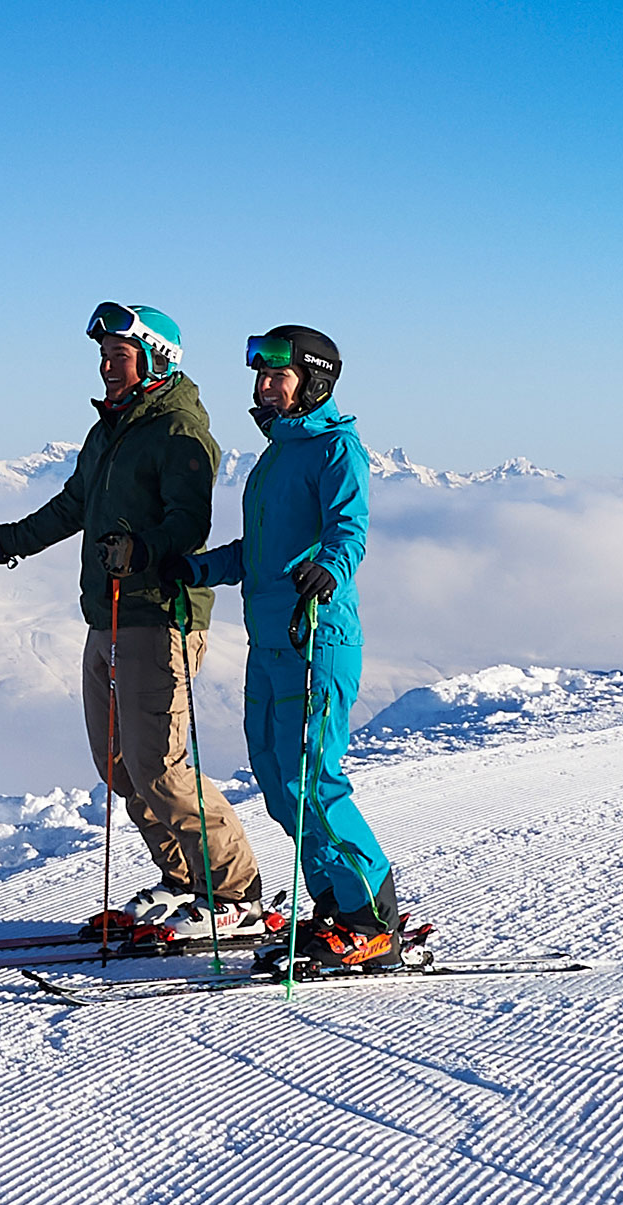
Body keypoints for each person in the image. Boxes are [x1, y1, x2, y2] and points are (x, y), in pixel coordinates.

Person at [0, 303, 263, 940]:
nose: (105, 366)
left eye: (118, 356)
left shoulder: (178, 430)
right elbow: (75, 504)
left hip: (158, 614)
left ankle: (236, 893)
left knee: (161, 764)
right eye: (102, 356)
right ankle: (185, 881)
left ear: (155, 359)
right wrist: (2, 542)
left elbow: (189, 521)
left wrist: (145, 549)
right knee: (120, 766)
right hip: (107, 612)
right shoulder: (111, 429)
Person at [171, 325, 404, 970]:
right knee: (277, 781)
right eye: (261, 377)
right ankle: (332, 905)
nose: (264, 388)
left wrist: (330, 565)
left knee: (314, 780)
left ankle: (372, 918)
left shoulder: (336, 448)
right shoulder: (274, 459)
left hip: (317, 638)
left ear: (313, 381)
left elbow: (349, 530)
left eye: (277, 376)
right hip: (269, 643)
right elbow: (258, 554)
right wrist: (194, 570)